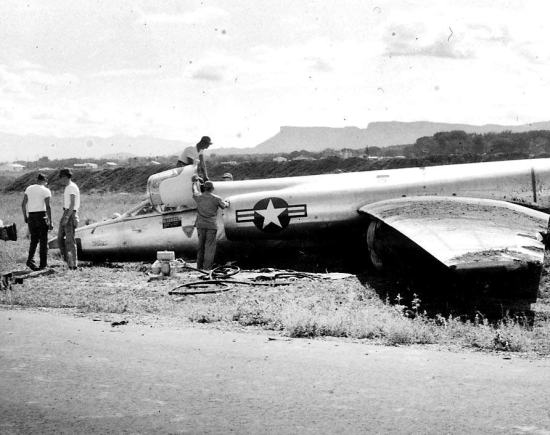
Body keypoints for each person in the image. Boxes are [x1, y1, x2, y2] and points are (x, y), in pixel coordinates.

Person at [191, 175, 229, 270]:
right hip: (211, 226)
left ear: (204, 188)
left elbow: (194, 190)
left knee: (201, 247)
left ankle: (199, 268)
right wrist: (228, 202)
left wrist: (194, 182)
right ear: (212, 189)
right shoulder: (216, 198)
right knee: (209, 248)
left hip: (200, 225)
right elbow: (224, 206)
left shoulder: (199, 197)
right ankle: (207, 268)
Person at [21, 173, 53, 270]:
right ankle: (43, 264)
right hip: (41, 216)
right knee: (43, 241)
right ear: (44, 181)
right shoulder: (46, 190)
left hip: (31, 216)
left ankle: (30, 260)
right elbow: (48, 206)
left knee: (34, 240)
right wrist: (50, 221)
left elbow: (23, 204)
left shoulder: (29, 188)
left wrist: (25, 216)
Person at [57, 168, 80, 269]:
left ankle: (73, 264)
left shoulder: (71, 187)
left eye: (61, 178)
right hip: (67, 212)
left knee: (69, 240)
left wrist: (67, 216)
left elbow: (72, 203)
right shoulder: (69, 187)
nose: (60, 180)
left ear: (65, 177)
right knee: (60, 238)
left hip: (69, 213)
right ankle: (68, 261)